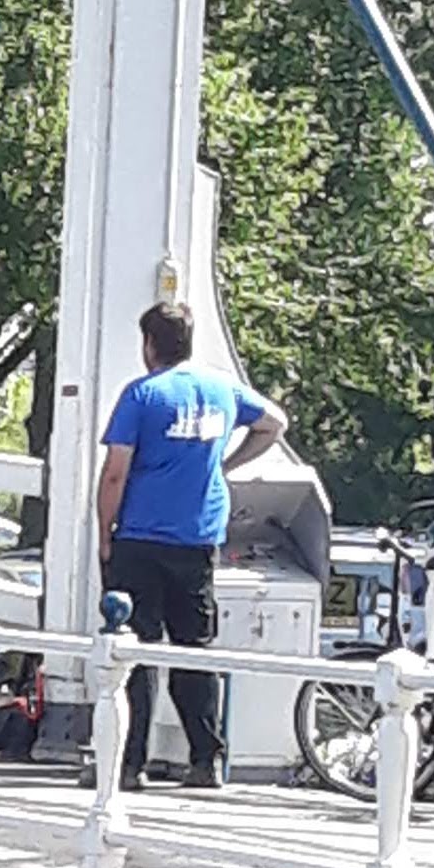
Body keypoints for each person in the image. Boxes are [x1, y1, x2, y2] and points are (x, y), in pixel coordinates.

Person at [98, 301, 287, 788]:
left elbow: (116, 471)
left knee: (133, 650)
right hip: (199, 537)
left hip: (141, 537)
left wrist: (104, 532)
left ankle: (128, 762)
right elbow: (274, 423)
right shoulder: (221, 388)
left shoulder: (142, 395)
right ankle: (206, 759)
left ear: (149, 344)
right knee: (194, 651)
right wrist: (227, 465)